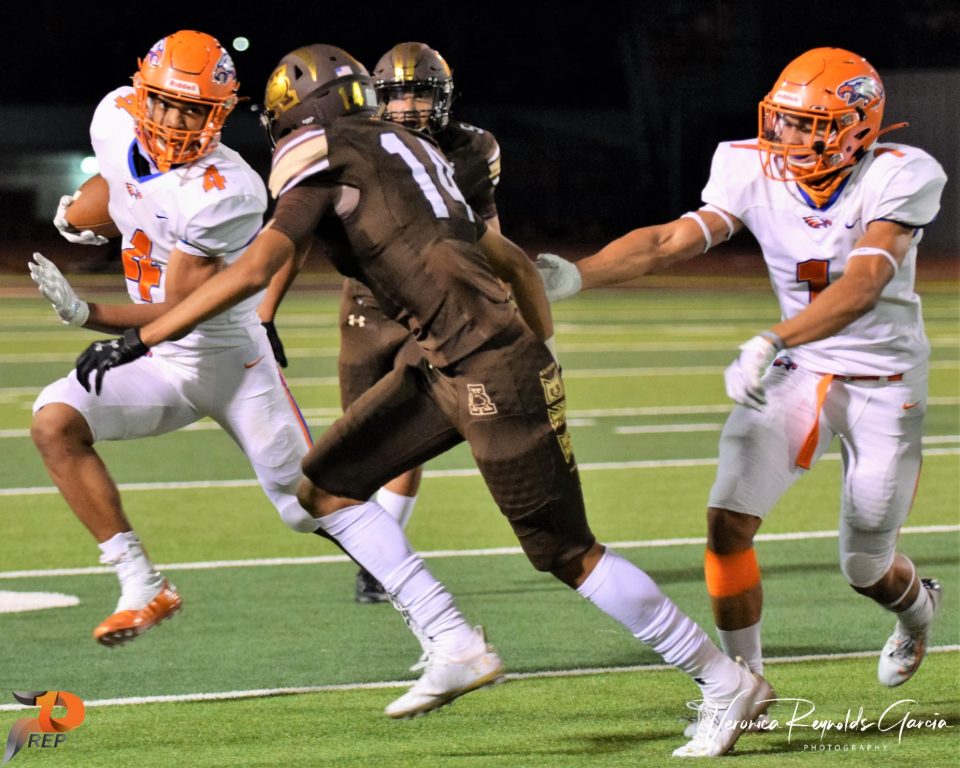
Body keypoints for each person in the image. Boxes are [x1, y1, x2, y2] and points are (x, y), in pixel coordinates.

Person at [72, 43, 772, 756]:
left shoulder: (322, 154)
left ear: (293, 112)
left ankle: (724, 682)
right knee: (325, 485)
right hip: (450, 359)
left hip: (485, 366)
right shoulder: (415, 152)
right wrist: (542, 344)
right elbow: (510, 260)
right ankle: (453, 641)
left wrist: (143, 335)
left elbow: (257, 266)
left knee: (565, 552)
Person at [536, 47, 946, 697]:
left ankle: (918, 612)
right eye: (783, 118)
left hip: (882, 382)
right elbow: (672, 239)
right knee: (727, 522)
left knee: (865, 567)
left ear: (854, 130)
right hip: (800, 367)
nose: (785, 135)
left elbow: (863, 285)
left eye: (806, 124)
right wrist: (576, 275)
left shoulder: (901, 173)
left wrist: (772, 336)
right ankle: (742, 686)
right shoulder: (746, 162)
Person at [28, 30, 314, 648]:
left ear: (220, 114)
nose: (175, 121)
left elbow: (180, 309)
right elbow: (120, 184)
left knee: (308, 507)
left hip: (225, 357)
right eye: (165, 102)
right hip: (161, 360)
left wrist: (86, 313)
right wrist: (83, 215)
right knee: (54, 422)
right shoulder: (114, 117)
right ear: (141, 92)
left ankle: (426, 608)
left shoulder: (225, 190)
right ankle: (141, 583)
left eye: (193, 109)